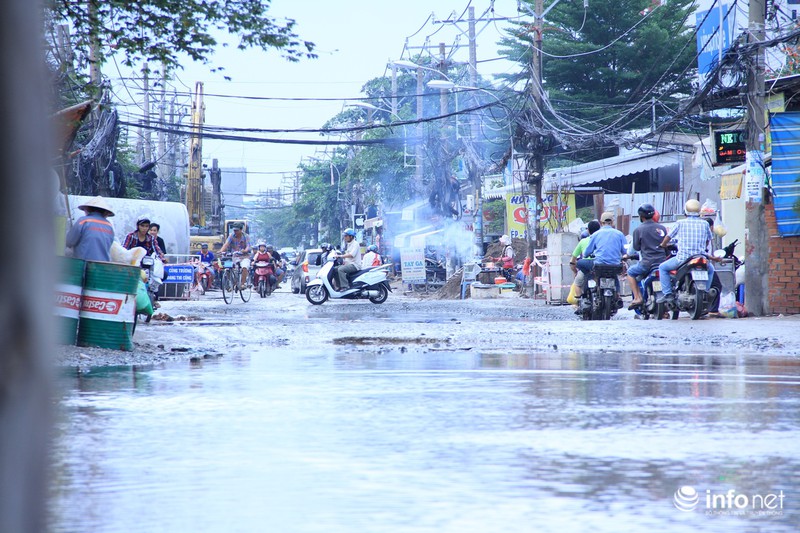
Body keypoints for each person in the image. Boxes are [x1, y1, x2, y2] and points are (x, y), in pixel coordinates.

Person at [657, 199, 717, 305]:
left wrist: (663, 244)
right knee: (711, 270)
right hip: (701, 257)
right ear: (699, 211)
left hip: (683, 258)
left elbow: (668, 236)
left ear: (685, 211)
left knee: (662, 268)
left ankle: (668, 294)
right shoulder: (705, 224)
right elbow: (708, 240)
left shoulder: (680, 223)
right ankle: (706, 291)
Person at [624, 203, 668, 310]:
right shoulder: (662, 228)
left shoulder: (638, 230)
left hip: (647, 263)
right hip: (663, 262)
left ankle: (638, 298)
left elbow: (636, 248)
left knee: (630, 272)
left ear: (641, 216)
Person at [576, 212, 627, 294]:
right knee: (614, 275)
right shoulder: (620, 234)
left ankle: (592, 281)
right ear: (613, 222)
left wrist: (587, 254)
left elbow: (587, 252)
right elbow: (625, 251)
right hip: (616, 264)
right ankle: (618, 294)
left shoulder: (595, 235)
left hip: (599, 265)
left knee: (579, 263)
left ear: (601, 223)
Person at [65, 196, 115, 262]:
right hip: (103, 266)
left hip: (83, 265)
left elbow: (69, 241)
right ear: (105, 212)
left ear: (88, 209)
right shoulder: (109, 226)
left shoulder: (83, 221)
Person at [569, 220, 601, 298]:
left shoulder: (583, 241)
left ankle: (580, 303)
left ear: (588, 230)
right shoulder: (602, 240)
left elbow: (572, 260)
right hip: (601, 266)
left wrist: (574, 272)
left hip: (586, 266)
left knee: (577, 283)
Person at [219, 222, 251, 289]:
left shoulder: (246, 236)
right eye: (234, 230)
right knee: (227, 268)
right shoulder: (231, 236)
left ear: (241, 229)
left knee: (244, 267)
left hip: (244, 256)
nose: (235, 232)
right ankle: (232, 282)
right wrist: (221, 251)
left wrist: (245, 250)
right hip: (233, 256)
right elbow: (226, 244)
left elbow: (248, 246)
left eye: (237, 230)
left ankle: (242, 283)